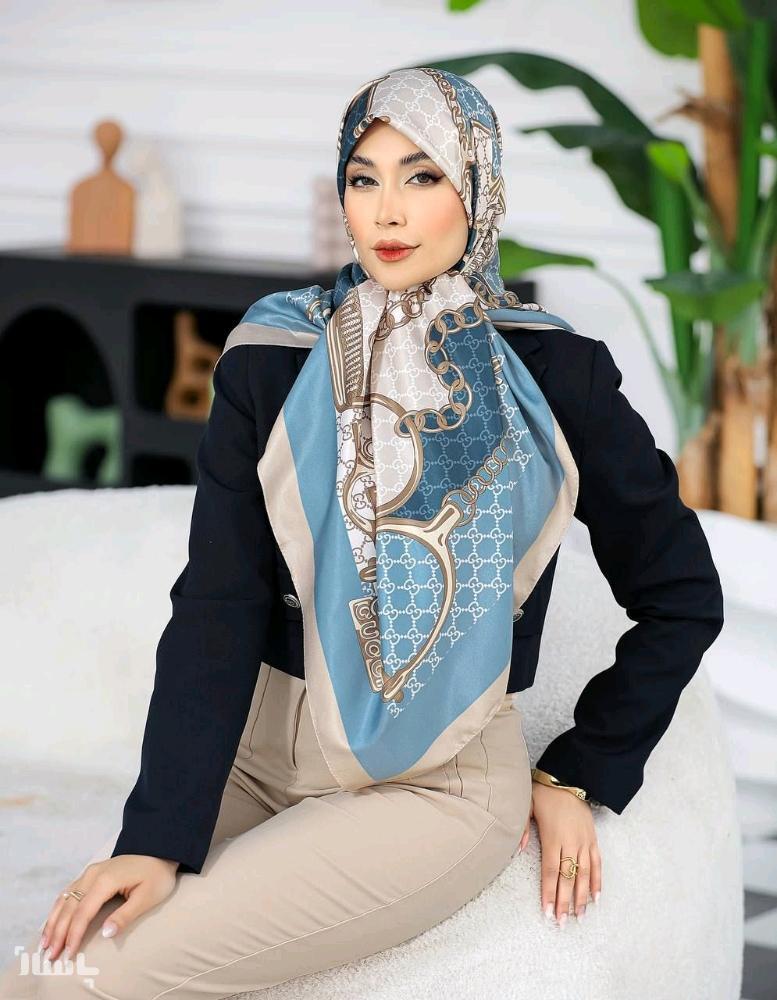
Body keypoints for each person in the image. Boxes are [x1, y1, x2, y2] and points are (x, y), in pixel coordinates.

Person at [1, 66, 724, 999]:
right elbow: (217, 597)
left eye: (422, 176)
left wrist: (583, 771)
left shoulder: (553, 372)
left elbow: (681, 596)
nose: (386, 210)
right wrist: (154, 834)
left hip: (434, 783)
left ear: (477, 188)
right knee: (40, 970)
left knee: (89, 978)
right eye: (362, 177)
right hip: (254, 755)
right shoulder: (273, 354)